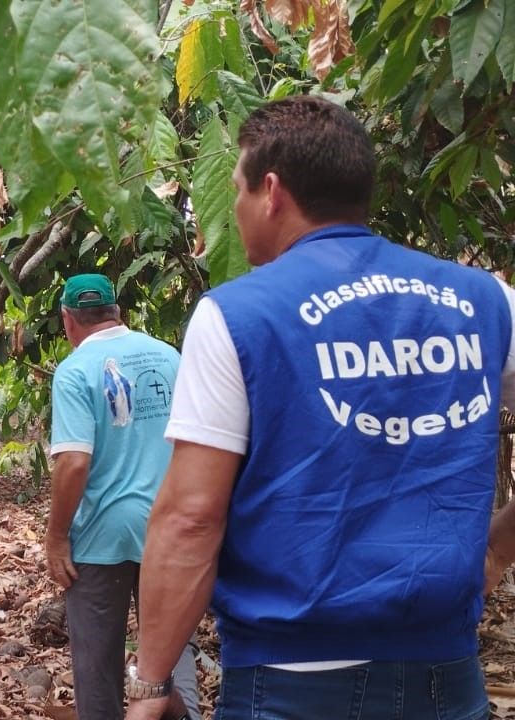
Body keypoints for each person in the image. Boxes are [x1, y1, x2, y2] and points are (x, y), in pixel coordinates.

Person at [125, 95, 515, 720]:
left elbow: (191, 518)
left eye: (238, 191)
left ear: (272, 191)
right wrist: (496, 548)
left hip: (290, 683)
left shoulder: (238, 314)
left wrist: (150, 684)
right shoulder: (483, 298)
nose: (236, 208)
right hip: (448, 676)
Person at [45, 273, 199, 720]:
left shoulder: (75, 371)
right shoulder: (169, 357)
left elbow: (73, 462)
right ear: (117, 312)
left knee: (97, 665)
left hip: (102, 538)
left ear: (68, 320)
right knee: (172, 646)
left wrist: (56, 537)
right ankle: (174, 703)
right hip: (169, 528)